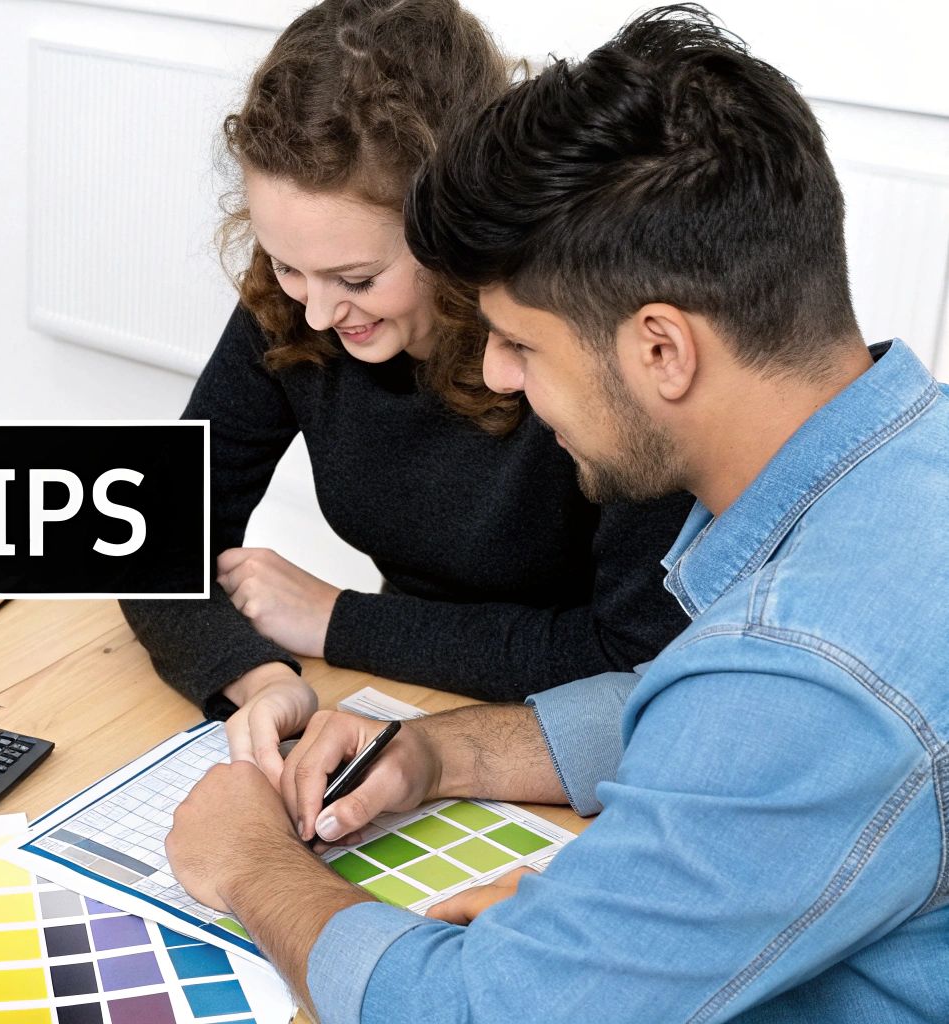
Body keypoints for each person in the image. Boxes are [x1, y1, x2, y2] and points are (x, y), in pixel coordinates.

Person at [165, 6, 949, 1021]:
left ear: (660, 350)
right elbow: (704, 711)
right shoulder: (900, 463)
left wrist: (252, 867)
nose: (489, 372)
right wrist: (451, 751)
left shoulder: (806, 673)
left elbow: (475, 1012)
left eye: (519, 345)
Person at [119, 0, 692, 793]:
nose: (317, 313)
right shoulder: (297, 304)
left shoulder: (579, 336)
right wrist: (257, 678)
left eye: (357, 279)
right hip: (405, 706)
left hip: (577, 750)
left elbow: (629, 660)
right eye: (286, 264)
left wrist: (337, 619)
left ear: (453, 226)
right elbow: (150, 535)